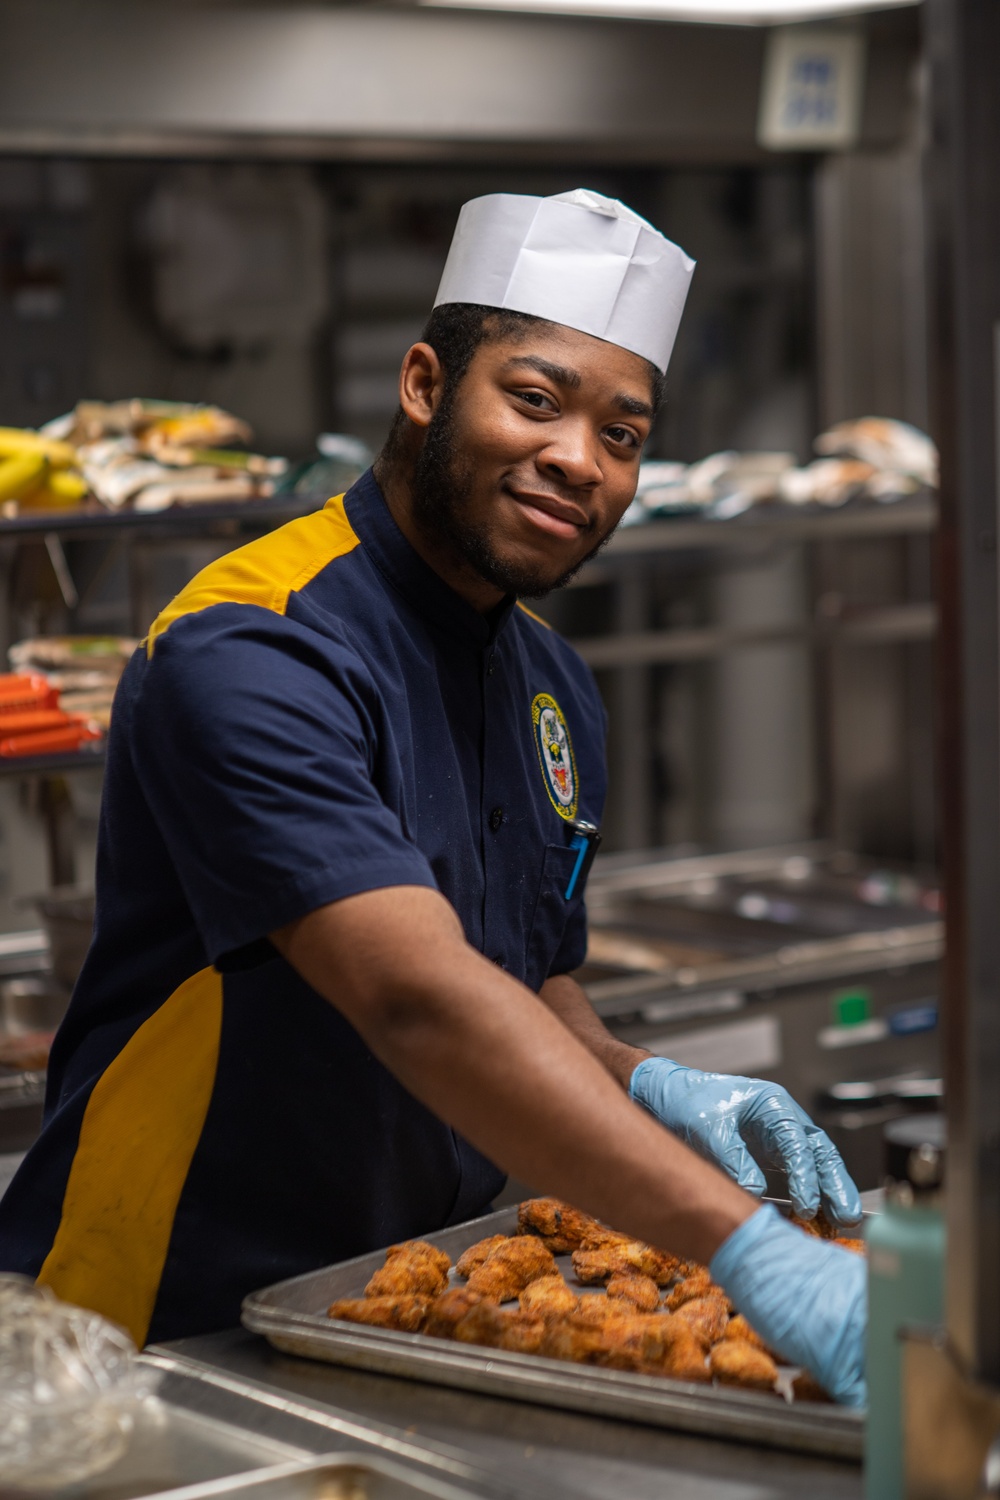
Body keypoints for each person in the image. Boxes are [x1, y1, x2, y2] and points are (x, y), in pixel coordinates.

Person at [0, 190, 866, 1403]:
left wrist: (645, 1078)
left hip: (382, 1313)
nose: (579, 459)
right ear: (422, 384)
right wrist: (740, 1243)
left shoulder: (552, 682)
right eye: (535, 400)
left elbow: (523, 981)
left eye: (623, 435)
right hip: (158, 1328)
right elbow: (416, 995)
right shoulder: (253, 643)